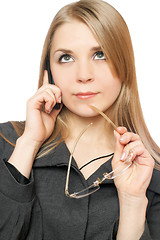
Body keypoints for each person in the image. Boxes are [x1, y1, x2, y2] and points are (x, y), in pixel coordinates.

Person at [0, 0, 160, 239]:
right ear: (49, 71)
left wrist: (132, 201)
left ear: (124, 66)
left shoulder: (150, 173)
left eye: (100, 54)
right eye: (66, 57)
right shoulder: (8, 143)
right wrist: (29, 143)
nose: (84, 75)